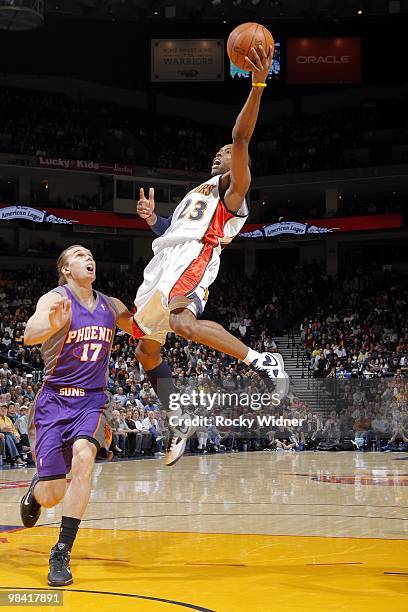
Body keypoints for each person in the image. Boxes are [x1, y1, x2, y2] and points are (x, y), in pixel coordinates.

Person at [134, 44, 289, 466]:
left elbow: (241, 136)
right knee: (145, 352)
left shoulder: (233, 188)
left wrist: (257, 86)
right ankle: (177, 417)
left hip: (196, 257)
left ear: (239, 163)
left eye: (225, 153)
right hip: (164, 260)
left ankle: (262, 362)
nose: (218, 154)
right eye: (219, 153)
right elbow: (174, 232)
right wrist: (153, 221)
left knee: (183, 321)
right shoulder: (196, 191)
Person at [20, 244, 134, 587]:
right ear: (66, 269)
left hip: (92, 402)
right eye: (80, 255)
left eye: (91, 256)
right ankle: (37, 488)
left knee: (85, 457)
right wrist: (48, 325)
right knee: (52, 493)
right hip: (53, 403)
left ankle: (61, 551)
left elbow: (140, 327)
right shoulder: (55, 299)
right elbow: (30, 333)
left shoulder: (111, 306)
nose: (89, 258)